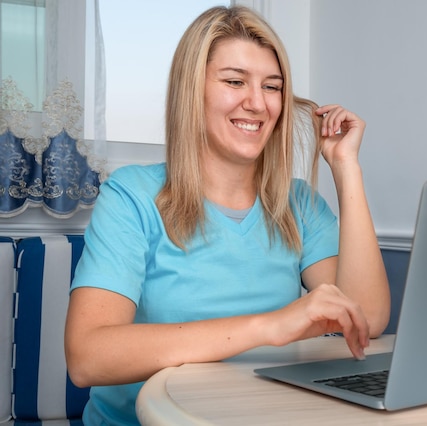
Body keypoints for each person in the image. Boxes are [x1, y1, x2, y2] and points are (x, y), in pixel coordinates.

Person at [64, 5, 390, 425]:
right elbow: (88, 357)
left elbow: (370, 318)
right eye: (234, 81)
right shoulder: (131, 196)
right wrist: (270, 327)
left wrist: (346, 169)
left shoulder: (300, 204)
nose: (257, 103)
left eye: (272, 87)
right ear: (191, 91)